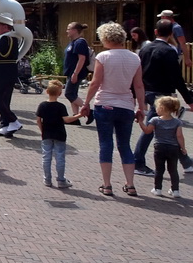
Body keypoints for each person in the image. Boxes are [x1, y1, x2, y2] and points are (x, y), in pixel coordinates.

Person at [80, 22, 145, 198]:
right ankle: (130, 184)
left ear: (105, 38)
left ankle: (107, 185)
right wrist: (142, 108)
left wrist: (86, 102)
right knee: (125, 145)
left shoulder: (103, 56)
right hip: (126, 105)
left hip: (105, 104)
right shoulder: (134, 58)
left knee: (105, 144)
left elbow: (95, 82)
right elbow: (138, 85)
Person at [133, 19, 193, 175]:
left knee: (168, 126)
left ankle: (186, 162)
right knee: (152, 129)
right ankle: (138, 162)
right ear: (171, 33)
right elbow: (177, 78)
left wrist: (134, 94)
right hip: (161, 95)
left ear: (155, 32)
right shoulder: (169, 51)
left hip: (146, 91)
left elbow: (138, 73)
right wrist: (189, 99)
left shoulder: (144, 49)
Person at [139, 96, 187, 197]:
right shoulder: (177, 122)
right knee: (173, 169)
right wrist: (183, 148)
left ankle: (157, 189)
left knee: (159, 169)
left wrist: (140, 122)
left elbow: (147, 131)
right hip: (173, 148)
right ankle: (175, 190)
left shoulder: (155, 120)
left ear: (162, 108)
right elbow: (179, 136)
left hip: (159, 147)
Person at [36, 80, 80, 187]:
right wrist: (78, 115)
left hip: (47, 134)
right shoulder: (61, 106)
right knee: (60, 157)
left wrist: (42, 130)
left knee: (46, 157)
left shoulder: (42, 105)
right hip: (59, 134)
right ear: (60, 93)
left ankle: (47, 179)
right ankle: (61, 180)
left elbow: (38, 120)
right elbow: (66, 120)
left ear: (47, 91)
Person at [62, 22, 91, 118]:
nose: (67, 31)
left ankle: (90, 112)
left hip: (76, 73)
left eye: (68, 29)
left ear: (74, 31)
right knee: (73, 94)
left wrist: (75, 73)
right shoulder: (73, 42)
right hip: (71, 72)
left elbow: (82, 59)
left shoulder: (80, 42)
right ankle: (75, 117)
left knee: (69, 94)